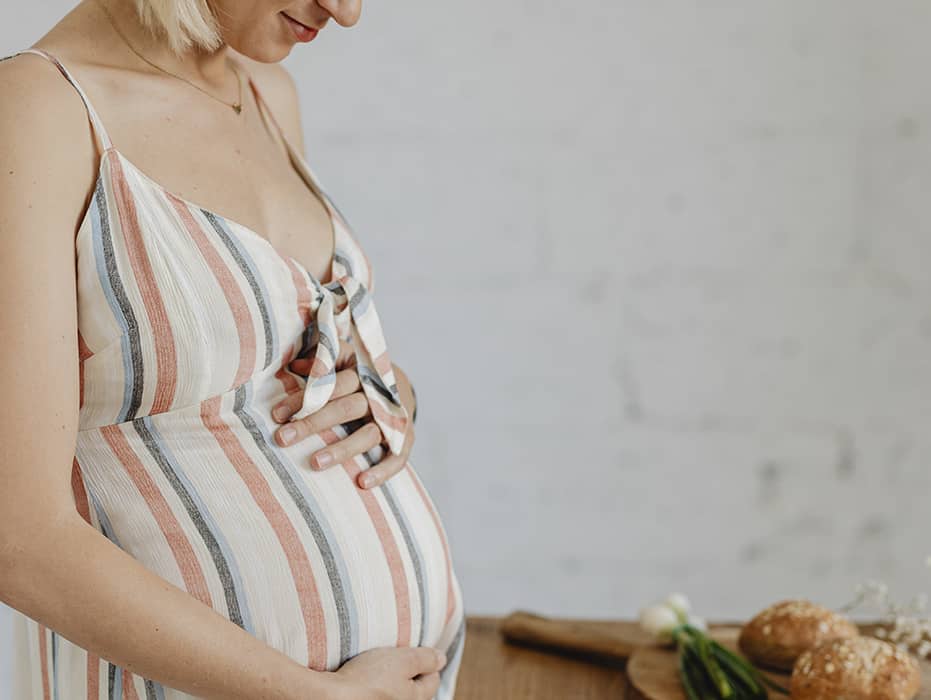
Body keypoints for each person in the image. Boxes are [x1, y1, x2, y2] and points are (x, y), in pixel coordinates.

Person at [0, 0, 465, 697]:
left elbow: (261, 372)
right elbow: (19, 540)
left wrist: (386, 394)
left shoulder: (265, 90)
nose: (345, 13)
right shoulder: (36, 111)